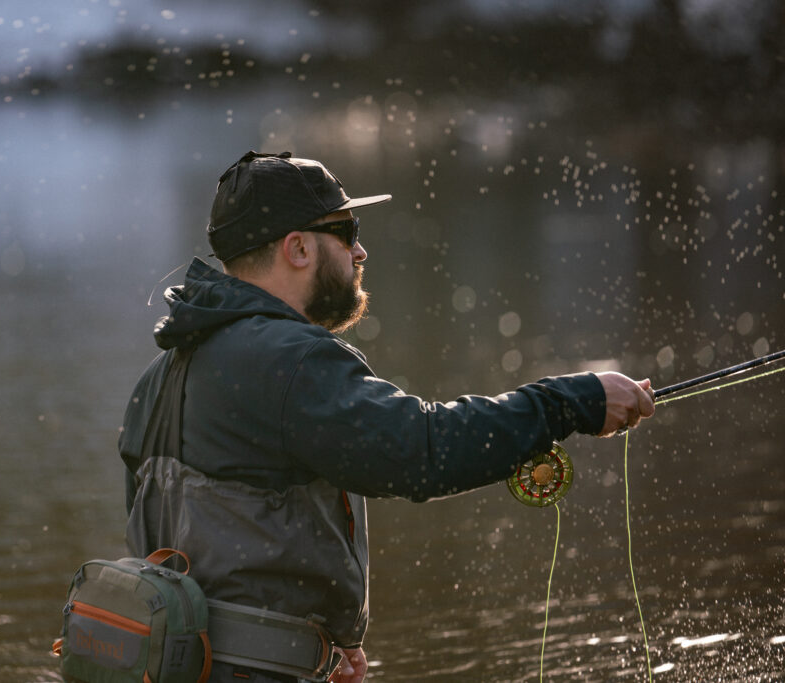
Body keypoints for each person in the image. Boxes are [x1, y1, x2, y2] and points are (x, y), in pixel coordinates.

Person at [118, 151, 656, 683]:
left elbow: (192, 540)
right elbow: (421, 450)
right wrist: (571, 402)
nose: (361, 250)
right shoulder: (290, 359)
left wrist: (313, 646)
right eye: (347, 230)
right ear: (298, 248)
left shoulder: (161, 376)